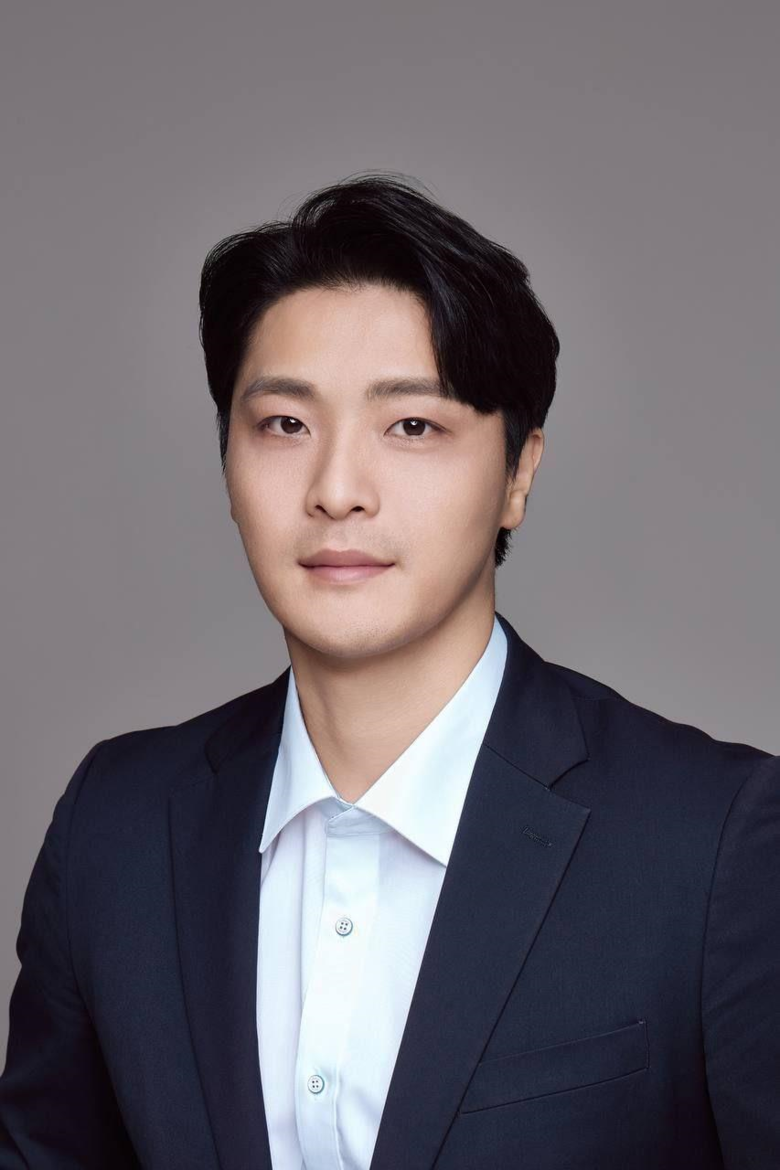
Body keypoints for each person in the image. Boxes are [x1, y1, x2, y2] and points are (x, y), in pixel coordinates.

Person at [0, 173, 778, 1170]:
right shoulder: (115, 826)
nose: (336, 490)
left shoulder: (715, 843)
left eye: (412, 426)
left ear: (519, 472)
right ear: (226, 460)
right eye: (284, 425)